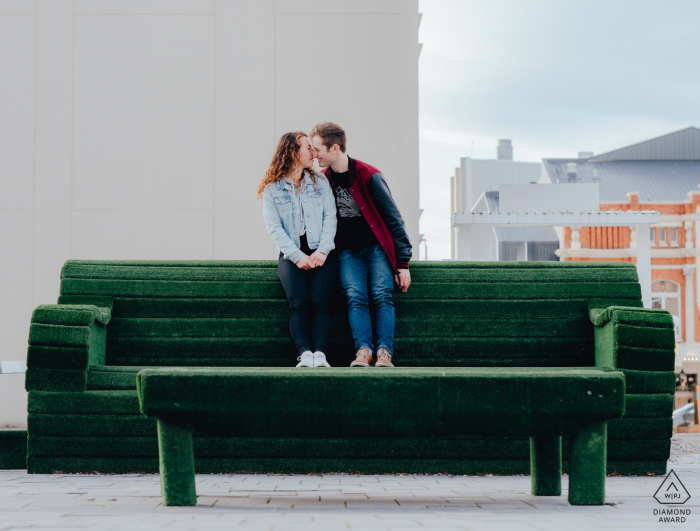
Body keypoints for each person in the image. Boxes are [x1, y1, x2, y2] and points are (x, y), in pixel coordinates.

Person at [310, 122, 412, 368]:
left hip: (377, 247)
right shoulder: (323, 181)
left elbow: (394, 219)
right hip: (347, 251)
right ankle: (363, 351)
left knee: (382, 296)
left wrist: (403, 262)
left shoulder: (369, 176)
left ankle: (384, 353)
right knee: (355, 297)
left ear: (334, 147)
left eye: (317, 149)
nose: (314, 155)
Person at [257, 132, 338, 368]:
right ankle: (305, 354)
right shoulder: (272, 189)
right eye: (308, 148)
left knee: (320, 302)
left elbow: (330, 217)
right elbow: (274, 229)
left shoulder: (320, 182)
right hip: (291, 257)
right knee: (299, 304)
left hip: (322, 254)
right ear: (293, 152)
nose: (314, 153)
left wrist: (322, 251)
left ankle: (320, 355)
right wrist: (297, 256)